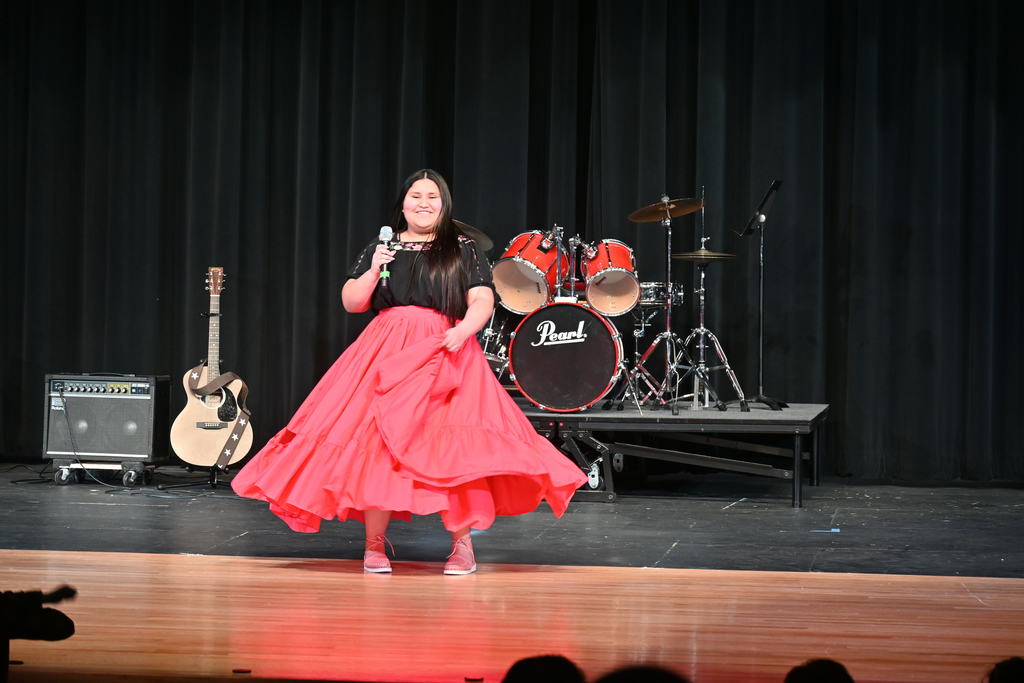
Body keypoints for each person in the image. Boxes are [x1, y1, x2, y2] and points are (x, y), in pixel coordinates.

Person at [231, 168, 588, 574]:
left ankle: (462, 546)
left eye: (432, 196)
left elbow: (482, 298)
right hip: (385, 348)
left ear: (444, 203)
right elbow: (352, 301)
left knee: (456, 447)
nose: (424, 203)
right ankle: (374, 546)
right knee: (377, 442)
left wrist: (464, 331)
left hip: (443, 347)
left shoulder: (462, 248)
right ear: (402, 204)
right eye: (416, 195)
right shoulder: (381, 247)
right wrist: (372, 268)